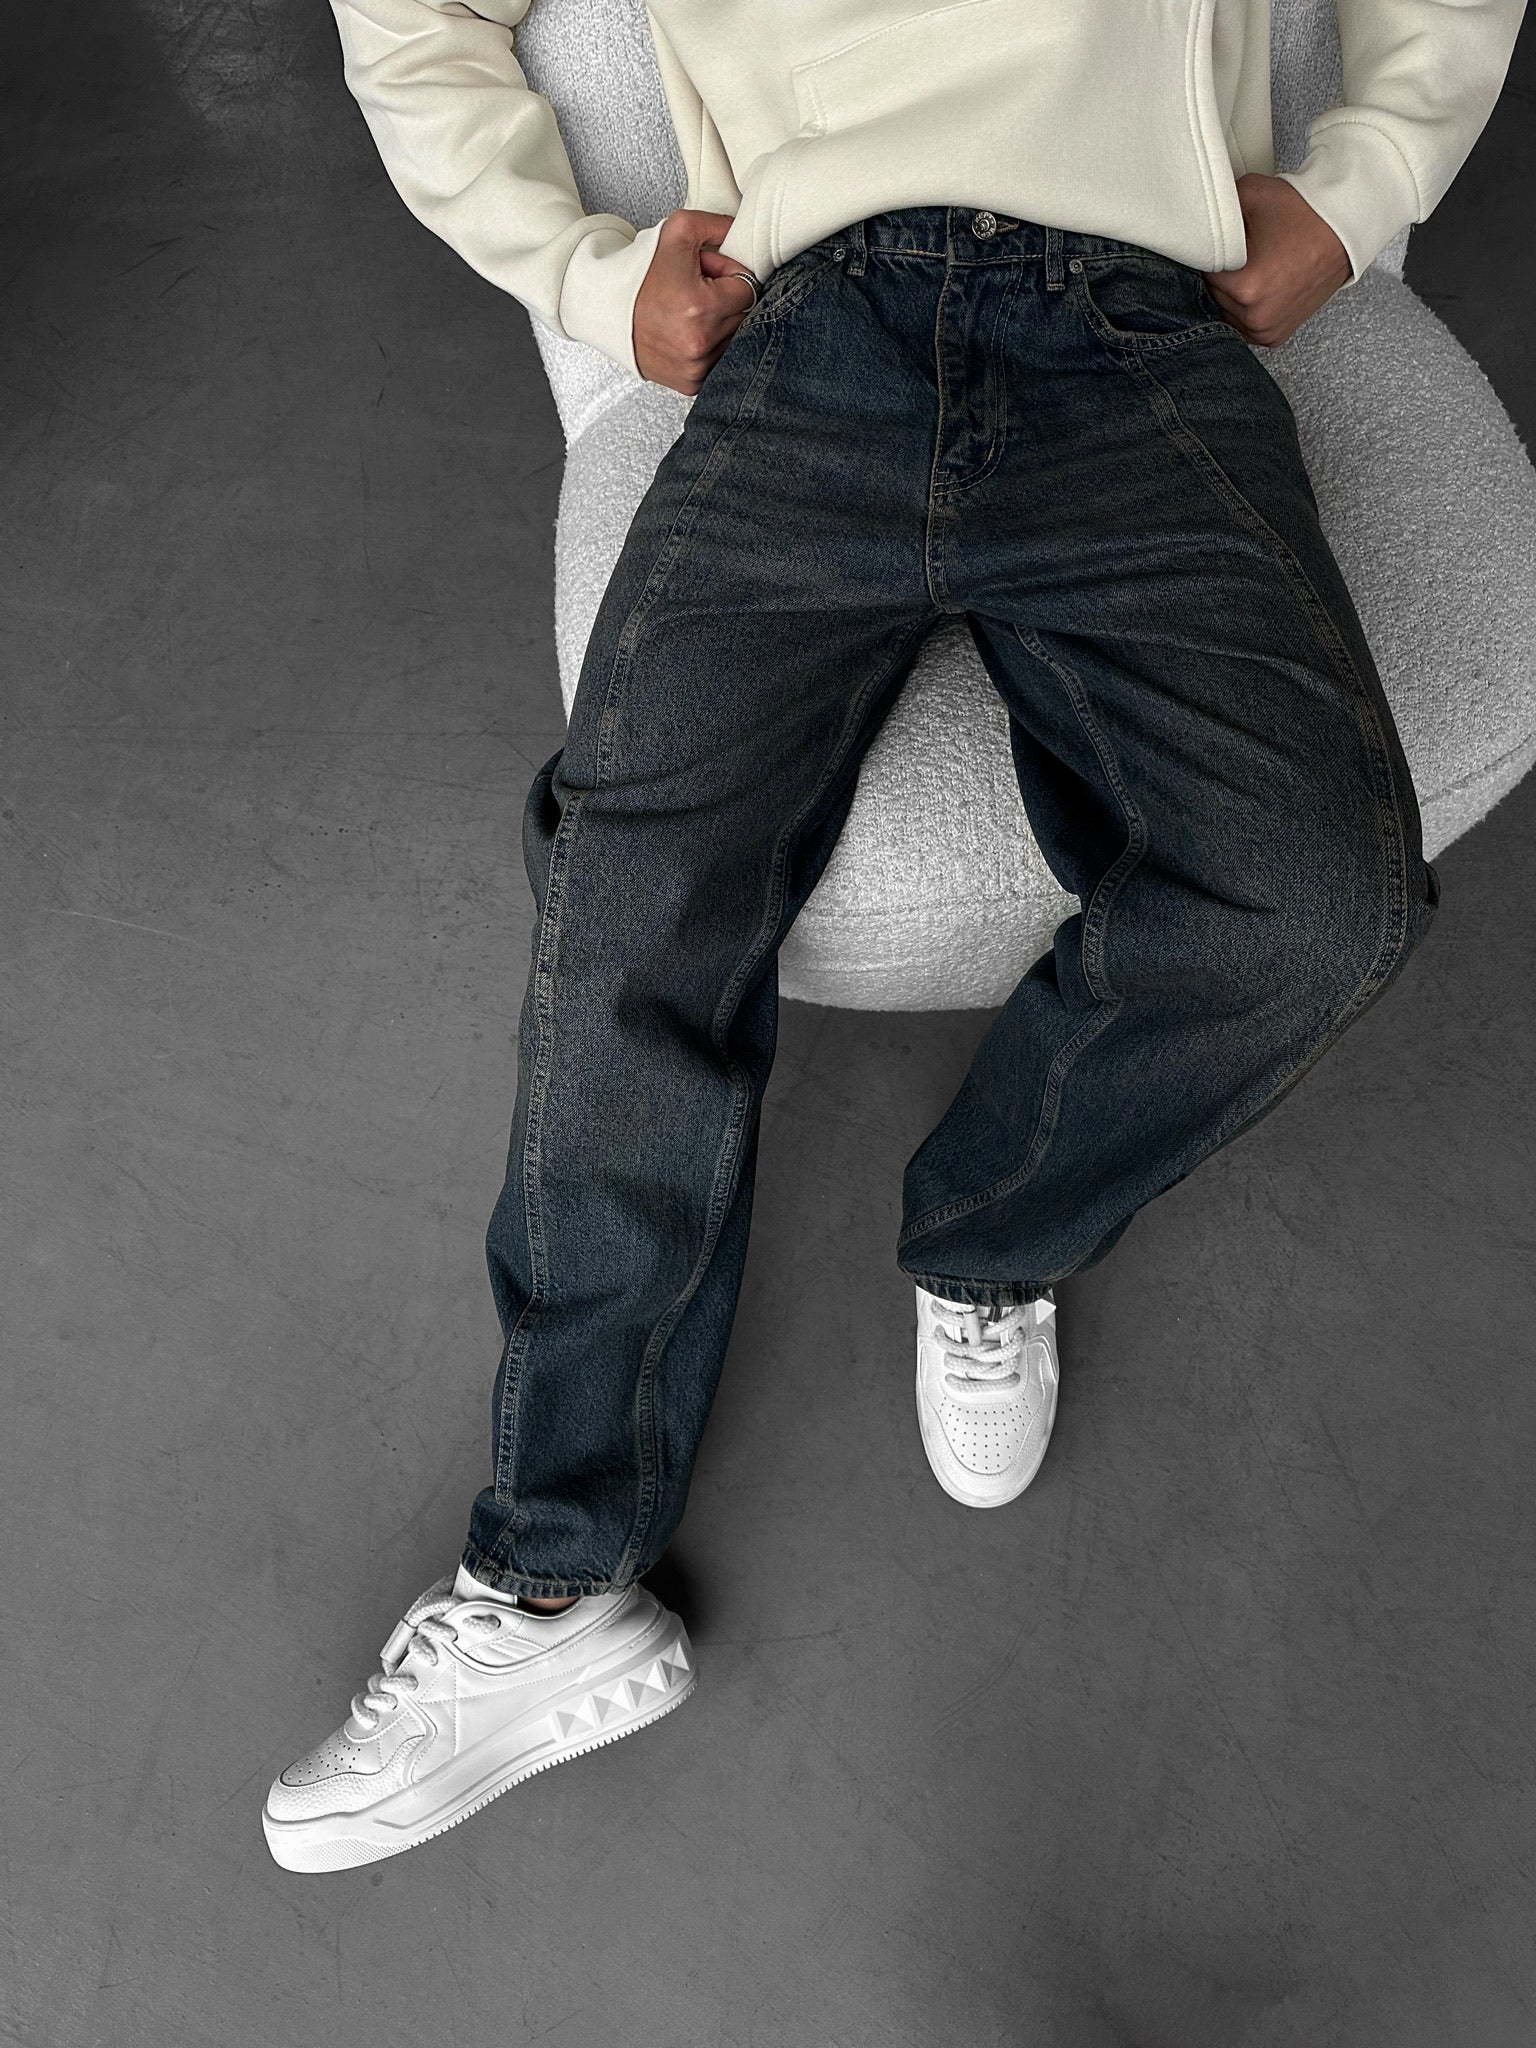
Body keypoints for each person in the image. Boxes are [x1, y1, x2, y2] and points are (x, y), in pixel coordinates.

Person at [261, 0, 1525, 1873]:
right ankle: (549, 1586)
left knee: (1315, 894)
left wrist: (1359, 188)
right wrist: (587, 277)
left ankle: (991, 1240)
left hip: (1136, 323)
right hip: (806, 333)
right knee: (628, 890)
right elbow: (407, 15)